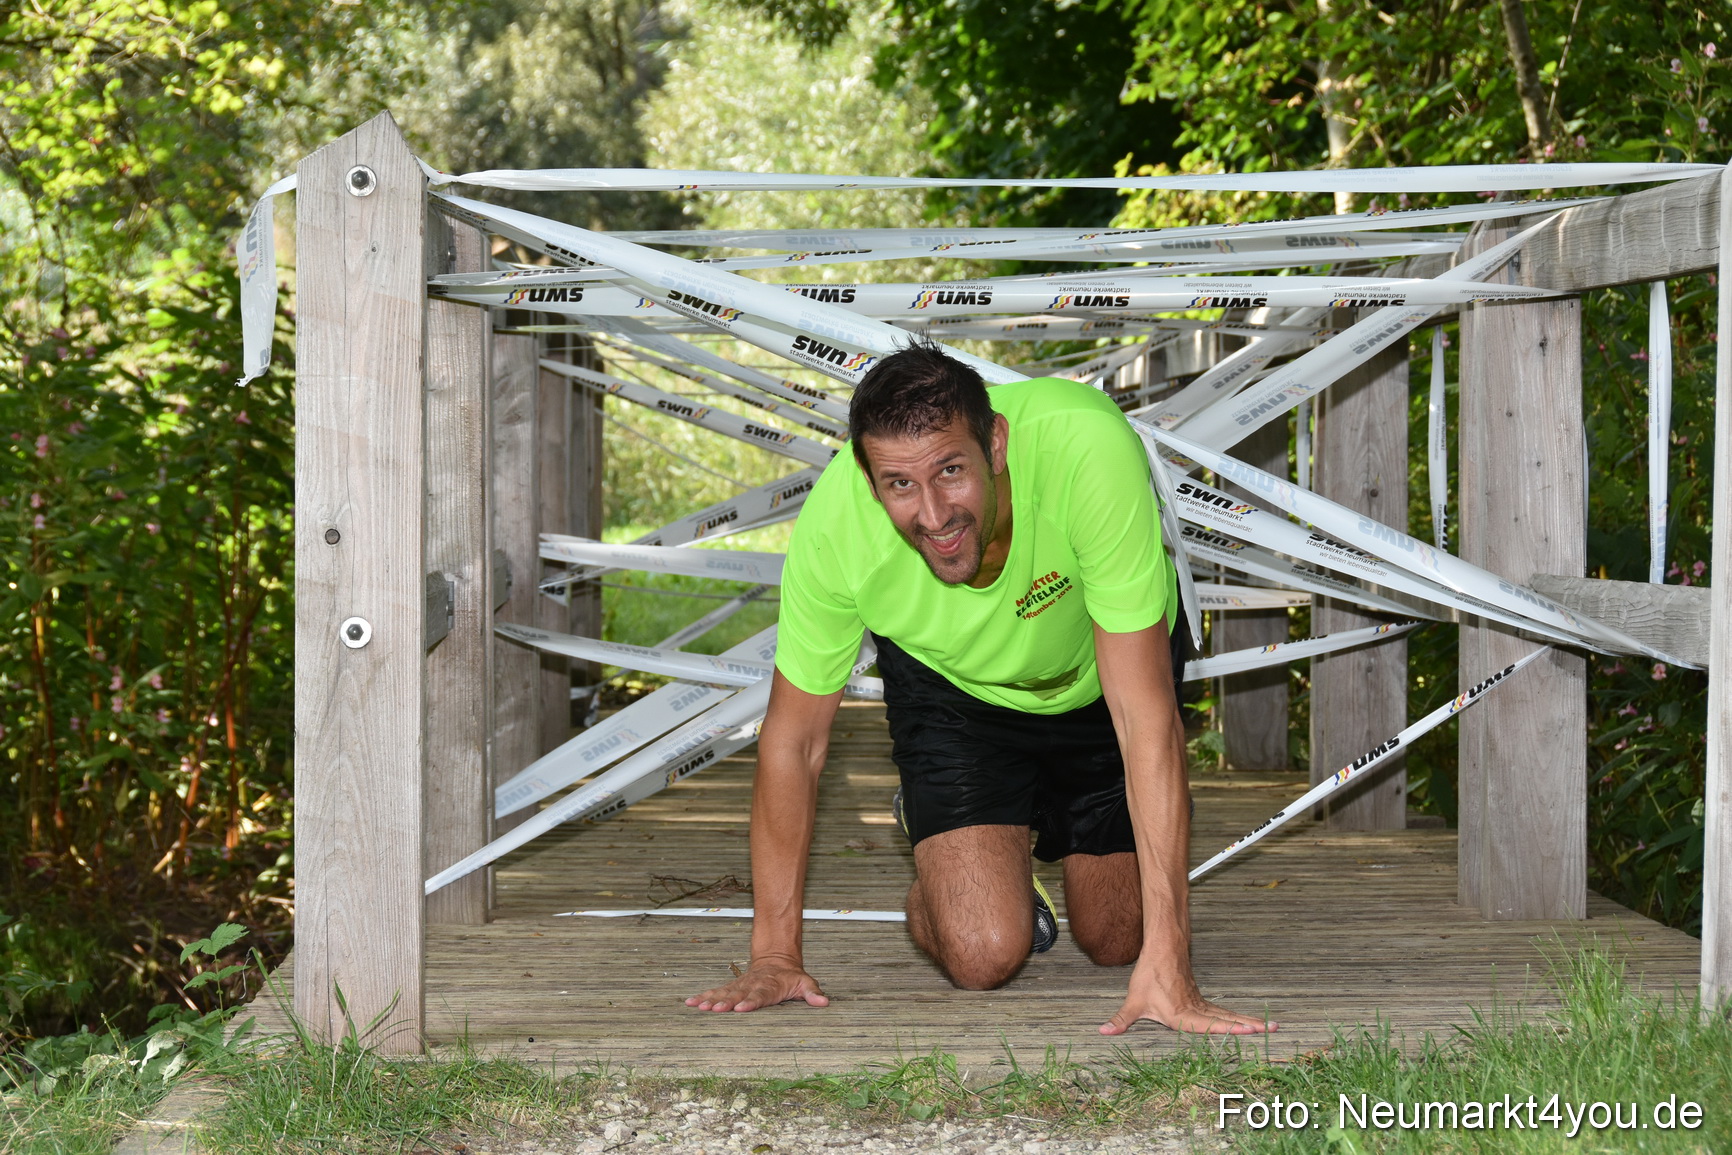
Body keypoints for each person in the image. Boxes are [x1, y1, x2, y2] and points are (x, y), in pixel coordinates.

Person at [686, 343, 1274, 1036]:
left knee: (1118, 937)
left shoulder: (1084, 444)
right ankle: (953, 857)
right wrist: (775, 954)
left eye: (950, 470)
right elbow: (796, 741)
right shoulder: (838, 525)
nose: (933, 514)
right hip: (957, 696)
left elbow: (1145, 719)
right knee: (984, 952)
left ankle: (1030, 845)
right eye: (899, 484)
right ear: (870, 478)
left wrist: (1170, 962)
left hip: (1097, 685)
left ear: (995, 443)